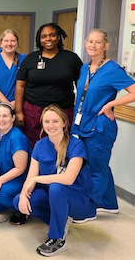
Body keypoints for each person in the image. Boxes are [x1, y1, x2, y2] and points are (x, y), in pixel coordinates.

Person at [13, 105, 96, 257]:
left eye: (55, 121)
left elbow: (68, 178)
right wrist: (24, 194)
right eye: (47, 121)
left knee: (57, 187)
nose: (51, 126)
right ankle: (61, 220)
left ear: (64, 123)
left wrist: (37, 179)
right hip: (53, 195)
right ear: (42, 124)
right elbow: (30, 177)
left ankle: (57, 238)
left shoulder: (76, 145)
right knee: (18, 200)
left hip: (79, 200)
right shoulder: (40, 145)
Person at [72, 29, 135, 214]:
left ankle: (87, 209)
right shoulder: (85, 68)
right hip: (83, 123)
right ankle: (108, 203)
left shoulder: (112, 69)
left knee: (96, 168)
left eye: (98, 42)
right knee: (97, 164)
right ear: (85, 44)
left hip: (100, 126)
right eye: (90, 41)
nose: (93, 45)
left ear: (106, 45)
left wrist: (111, 104)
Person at [15, 23, 82, 147]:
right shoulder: (31, 59)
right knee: (34, 145)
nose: (48, 39)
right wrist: (19, 111)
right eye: (44, 36)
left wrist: (81, 110)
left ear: (59, 37)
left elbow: (82, 86)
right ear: (39, 40)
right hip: (34, 111)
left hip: (63, 110)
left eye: (52, 35)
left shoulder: (71, 58)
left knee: (61, 144)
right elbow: (20, 86)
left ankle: (60, 166)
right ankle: (34, 167)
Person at [0, 103, 31, 224]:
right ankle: (13, 199)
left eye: (5, 116)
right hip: (6, 176)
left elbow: (20, 168)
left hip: (20, 179)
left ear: (13, 118)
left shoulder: (17, 138)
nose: (1, 119)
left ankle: (22, 209)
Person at [0, 29, 26, 108]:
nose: (9, 44)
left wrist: (17, 102)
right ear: (1, 43)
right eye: (6, 41)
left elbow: (29, 83)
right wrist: (7, 104)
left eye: (13, 41)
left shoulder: (24, 60)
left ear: (17, 43)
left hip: (18, 105)